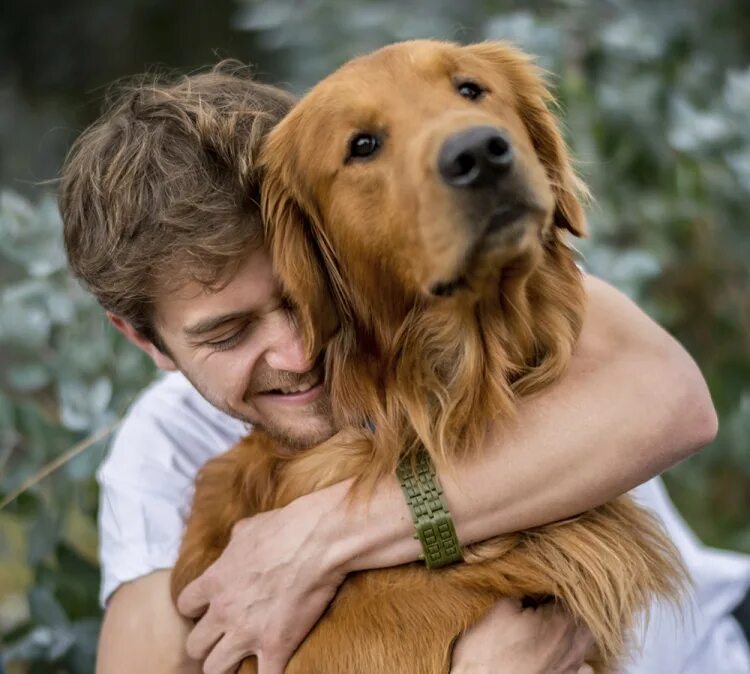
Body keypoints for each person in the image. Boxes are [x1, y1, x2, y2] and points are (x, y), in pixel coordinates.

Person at [58, 63, 750, 674]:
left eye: (308, 295)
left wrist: (331, 532)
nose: (300, 356)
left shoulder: (475, 298)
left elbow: (674, 400)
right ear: (144, 341)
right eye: (228, 335)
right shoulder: (167, 453)